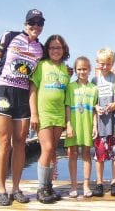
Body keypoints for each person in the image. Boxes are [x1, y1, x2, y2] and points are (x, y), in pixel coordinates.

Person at [0, 9, 45, 206]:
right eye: (32, 22)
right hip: (2, 91)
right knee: (5, 143)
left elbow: (49, 66)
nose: (36, 26)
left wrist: (68, 69)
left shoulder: (41, 48)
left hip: (23, 96)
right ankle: (1, 189)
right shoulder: (10, 36)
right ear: (25, 24)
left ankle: (16, 188)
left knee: (20, 143)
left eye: (40, 23)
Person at [29, 34, 70, 203]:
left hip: (58, 115)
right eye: (52, 47)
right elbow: (32, 90)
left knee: (53, 150)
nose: (55, 50)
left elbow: (66, 94)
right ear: (47, 49)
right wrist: (34, 114)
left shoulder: (65, 70)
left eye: (58, 48)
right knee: (47, 148)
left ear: (64, 50)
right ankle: (41, 187)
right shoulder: (41, 66)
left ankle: (48, 186)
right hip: (44, 113)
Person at [65, 56, 98, 198]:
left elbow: (95, 110)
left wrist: (95, 126)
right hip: (74, 124)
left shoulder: (93, 88)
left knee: (86, 154)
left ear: (89, 70)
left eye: (85, 69)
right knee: (72, 153)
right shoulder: (70, 87)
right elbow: (67, 107)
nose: (82, 72)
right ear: (75, 70)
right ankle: (73, 185)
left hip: (87, 124)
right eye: (79, 69)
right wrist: (68, 125)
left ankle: (85, 185)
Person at [91, 48, 115, 197]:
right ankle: (99, 183)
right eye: (102, 64)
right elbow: (91, 102)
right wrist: (95, 107)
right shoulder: (94, 81)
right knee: (100, 155)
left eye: (108, 64)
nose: (105, 67)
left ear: (113, 63)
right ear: (97, 63)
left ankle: (114, 182)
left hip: (114, 123)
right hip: (100, 124)